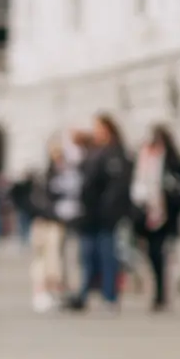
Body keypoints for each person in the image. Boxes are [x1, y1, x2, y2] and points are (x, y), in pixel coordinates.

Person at [67, 115, 132, 313]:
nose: (95, 132)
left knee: (107, 255)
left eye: (99, 128)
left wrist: (108, 208)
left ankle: (109, 296)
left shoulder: (114, 153)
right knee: (88, 256)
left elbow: (117, 186)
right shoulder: (95, 151)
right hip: (89, 215)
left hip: (104, 216)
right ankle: (85, 293)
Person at [131, 125, 180, 311]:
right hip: (145, 212)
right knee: (151, 253)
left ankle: (160, 292)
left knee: (158, 251)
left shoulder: (172, 159)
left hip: (164, 213)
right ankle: (158, 289)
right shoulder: (144, 157)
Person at [28, 145, 67, 311]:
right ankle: (42, 292)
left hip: (50, 221)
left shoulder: (56, 176)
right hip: (47, 222)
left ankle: (51, 292)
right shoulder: (50, 177)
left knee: (53, 260)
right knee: (46, 259)